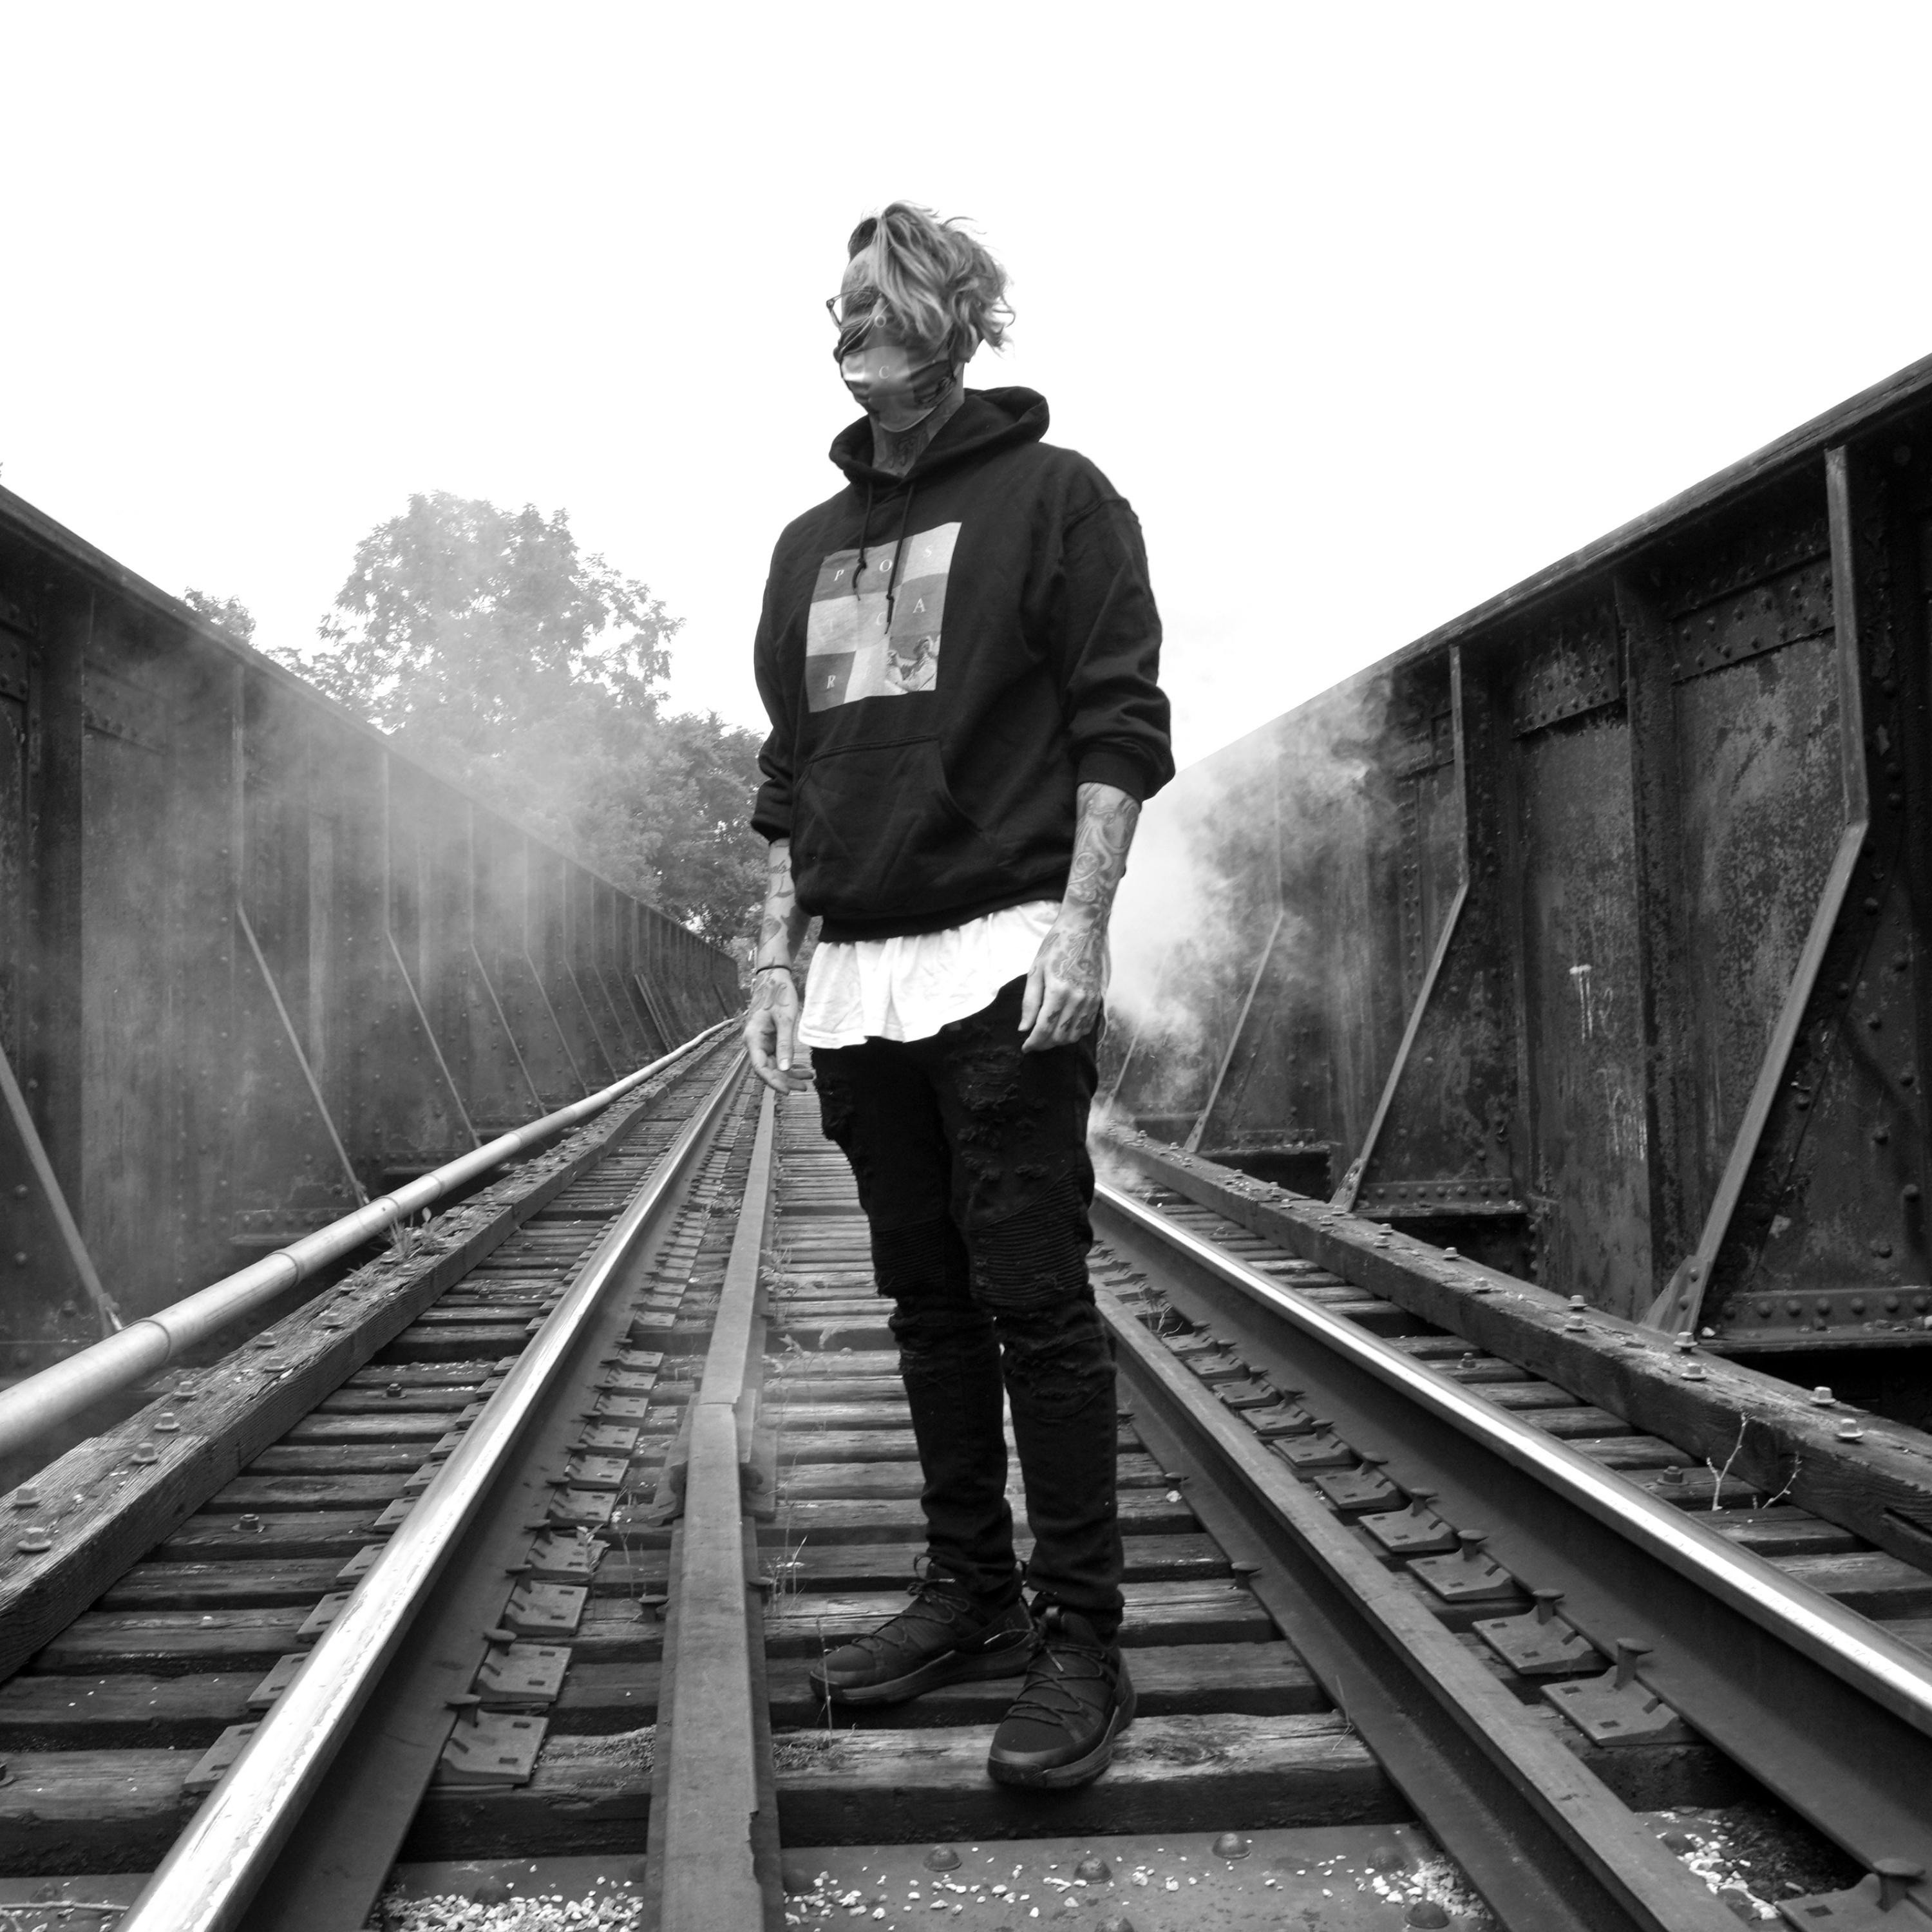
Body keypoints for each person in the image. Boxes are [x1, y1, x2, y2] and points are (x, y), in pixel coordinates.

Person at [743, 202, 1172, 1792]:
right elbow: (792, 772)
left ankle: (1083, 1635)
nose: (853, 327)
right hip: (859, 975)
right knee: (926, 1308)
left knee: (1034, 1304)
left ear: (957, 320)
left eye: (884, 303)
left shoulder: (1061, 498)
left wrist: (1083, 929)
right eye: (842, 306)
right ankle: (969, 1588)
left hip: (1003, 955)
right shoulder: (807, 547)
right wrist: (775, 957)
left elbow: (1119, 725)